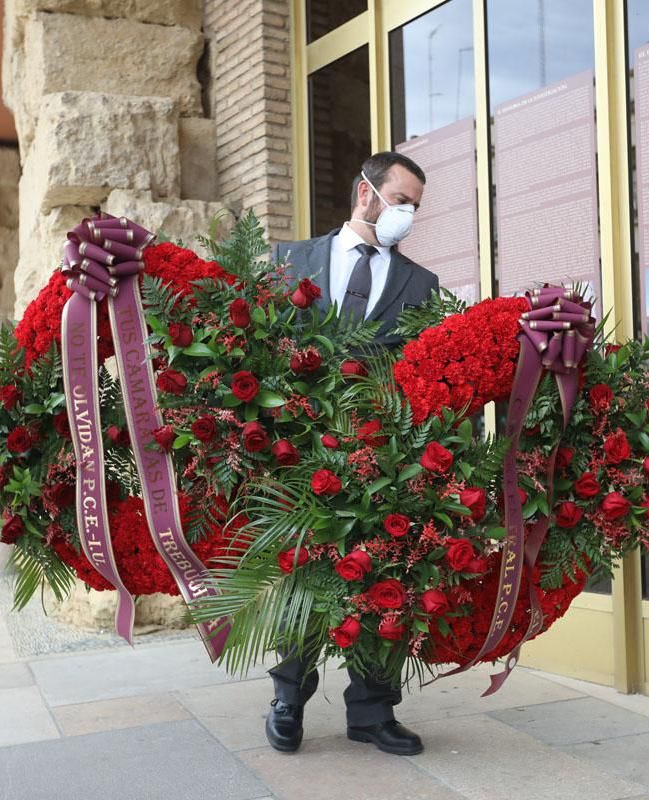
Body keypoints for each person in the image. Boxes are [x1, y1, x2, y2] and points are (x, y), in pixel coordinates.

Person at [265, 151, 439, 756]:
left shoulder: (422, 284)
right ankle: (288, 700)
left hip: (379, 457)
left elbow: (421, 377)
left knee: (382, 577)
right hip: (300, 451)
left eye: (415, 205)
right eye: (402, 199)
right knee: (303, 579)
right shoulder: (287, 263)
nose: (409, 213)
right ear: (366, 193)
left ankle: (372, 711)